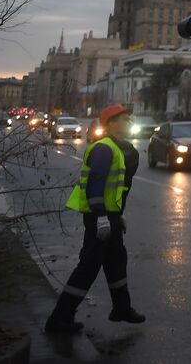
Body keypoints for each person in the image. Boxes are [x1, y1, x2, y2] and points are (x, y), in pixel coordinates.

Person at [44, 104, 145, 333]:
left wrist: (117, 217)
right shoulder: (103, 149)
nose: (129, 122)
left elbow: (118, 189)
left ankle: (121, 308)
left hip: (110, 216)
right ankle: (60, 318)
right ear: (110, 124)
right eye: (125, 119)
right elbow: (95, 185)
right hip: (98, 216)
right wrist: (102, 218)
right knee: (88, 268)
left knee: (117, 260)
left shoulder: (123, 149)